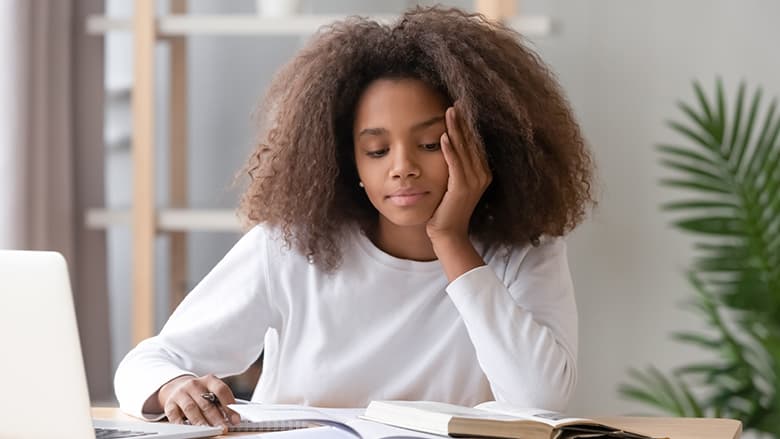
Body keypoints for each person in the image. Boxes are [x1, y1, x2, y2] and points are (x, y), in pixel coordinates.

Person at [114, 6, 595, 430]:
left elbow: (539, 399)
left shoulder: (526, 252)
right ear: (351, 164)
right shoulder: (289, 246)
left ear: (483, 143)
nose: (402, 166)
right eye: (377, 149)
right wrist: (173, 386)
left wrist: (450, 240)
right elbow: (148, 362)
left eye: (430, 144)